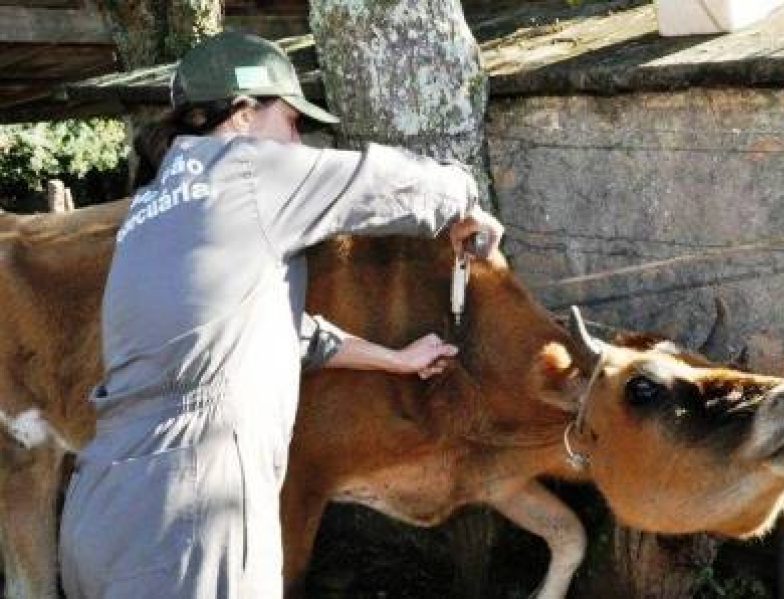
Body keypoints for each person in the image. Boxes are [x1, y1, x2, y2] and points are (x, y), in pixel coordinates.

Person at [59, 31, 504, 598]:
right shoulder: (246, 169)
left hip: (100, 507)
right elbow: (382, 182)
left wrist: (392, 360)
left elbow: (267, 334)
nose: (298, 142)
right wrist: (464, 198)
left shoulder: (150, 209)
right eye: (292, 122)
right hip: (191, 516)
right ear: (243, 115)